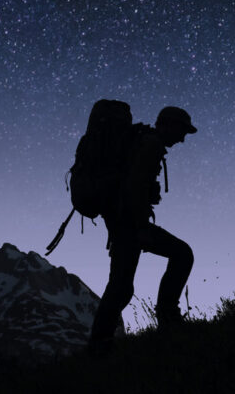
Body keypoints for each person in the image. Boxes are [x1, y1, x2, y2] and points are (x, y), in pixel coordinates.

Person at [88, 106, 197, 352]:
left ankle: (99, 343)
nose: (182, 139)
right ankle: (168, 321)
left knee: (121, 285)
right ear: (168, 124)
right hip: (129, 225)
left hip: (121, 223)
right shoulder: (151, 144)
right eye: (182, 131)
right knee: (181, 254)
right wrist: (141, 227)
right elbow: (134, 187)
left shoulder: (143, 143)